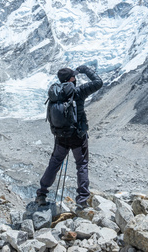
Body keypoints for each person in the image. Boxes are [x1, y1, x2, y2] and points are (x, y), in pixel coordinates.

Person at [36, 65, 103, 209]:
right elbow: (98, 82)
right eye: (75, 76)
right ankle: (82, 200)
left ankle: (41, 194)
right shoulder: (78, 92)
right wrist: (85, 69)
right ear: (71, 79)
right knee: (82, 165)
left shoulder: (55, 94)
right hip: (78, 136)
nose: (76, 78)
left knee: (54, 164)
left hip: (60, 137)